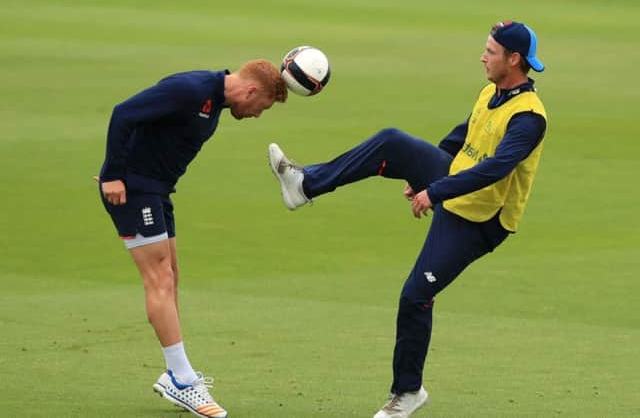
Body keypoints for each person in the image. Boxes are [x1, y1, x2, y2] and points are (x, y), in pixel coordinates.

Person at [268, 21, 547, 418]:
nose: (483, 56)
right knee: (393, 142)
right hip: (454, 187)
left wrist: (434, 191)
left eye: (491, 51)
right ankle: (305, 184)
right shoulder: (492, 91)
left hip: (481, 220)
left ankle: (408, 393)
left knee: (415, 296)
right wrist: (422, 174)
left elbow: (498, 168)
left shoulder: (530, 117)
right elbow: (463, 136)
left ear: (514, 59)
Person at [97, 60, 287, 418]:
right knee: (159, 279)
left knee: (172, 276)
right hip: (134, 190)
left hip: (157, 192)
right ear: (249, 91)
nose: (257, 115)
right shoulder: (191, 90)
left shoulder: (215, 101)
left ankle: (177, 371)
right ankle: (181, 380)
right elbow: (124, 113)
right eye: (261, 108)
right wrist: (112, 174)